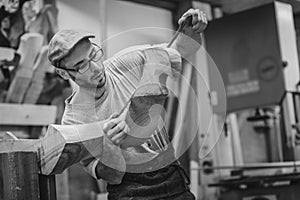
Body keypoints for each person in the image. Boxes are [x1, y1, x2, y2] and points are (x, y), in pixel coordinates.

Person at [48, 8, 207, 200]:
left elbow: (182, 49)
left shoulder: (128, 62)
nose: (97, 68)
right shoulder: (74, 121)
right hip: (129, 190)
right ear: (64, 74)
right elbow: (111, 176)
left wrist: (192, 30)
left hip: (172, 178)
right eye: (82, 65)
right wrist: (110, 147)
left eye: (93, 55)